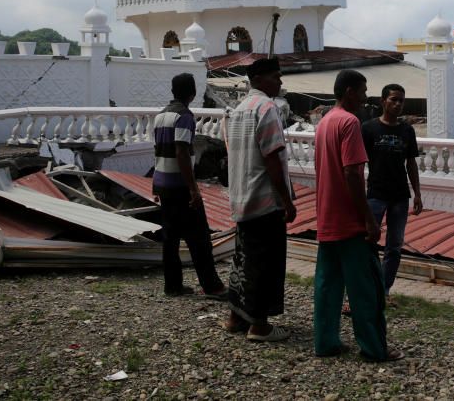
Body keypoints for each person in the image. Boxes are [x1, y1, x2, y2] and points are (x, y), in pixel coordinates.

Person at [313, 69, 403, 362]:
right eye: (363, 91)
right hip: (349, 221)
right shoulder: (350, 122)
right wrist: (368, 218)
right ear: (350, 91)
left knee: (328, 287)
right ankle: (374, 348)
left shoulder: (325, 122)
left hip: (327, 217)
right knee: (367, 289)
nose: (366, 97)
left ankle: (325, 342)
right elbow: (352, 172)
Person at [223, 58, 297, 342]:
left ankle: (235, 317)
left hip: (242, 197)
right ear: (260, 79)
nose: (280, 82)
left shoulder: (239, 109)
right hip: (265, 199)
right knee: (265, 263)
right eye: (276, 77)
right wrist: (287, 200)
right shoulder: (267, 108)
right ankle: (260, 324)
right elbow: (272, 158)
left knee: (243, 259)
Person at [152, 73, 226, 299]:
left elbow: (158, 152)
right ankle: (211, 286)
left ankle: (172, 286)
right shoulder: (184, 116)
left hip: (164, 184)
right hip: (180, 186)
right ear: (192, 93)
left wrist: (155, 184)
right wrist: (193, 188)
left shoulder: (160, 116)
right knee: (199, 238)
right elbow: (182, 151)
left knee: (170, 239)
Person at [362, 83, 422, 301]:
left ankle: (384, 291)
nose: (397, 104)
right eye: (393, 99)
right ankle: (368, 287)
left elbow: (411, 164)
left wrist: (417, 194)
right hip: (376, 194)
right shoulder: (368, 129)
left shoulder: (407, 130)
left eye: (401, 100)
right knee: (369, 243)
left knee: (394, 246)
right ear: (383, 101)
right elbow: (357, 164)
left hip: (399, 196)